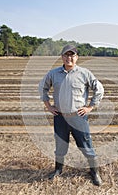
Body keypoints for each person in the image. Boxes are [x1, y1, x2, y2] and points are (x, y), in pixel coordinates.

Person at [39, 44, 104, 186]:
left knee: (86, 146)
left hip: (78, 117)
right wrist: (48, 106)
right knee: (60, 146)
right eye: (66, 55)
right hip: (60, 117)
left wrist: (90, 107)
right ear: (62, 57)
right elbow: (42, 88)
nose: (69, 58)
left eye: (72, 55)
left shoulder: (84, 73)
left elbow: (99, 89)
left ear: (76, 57)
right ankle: (58, 170)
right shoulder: (53, 74)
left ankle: (94, 172)